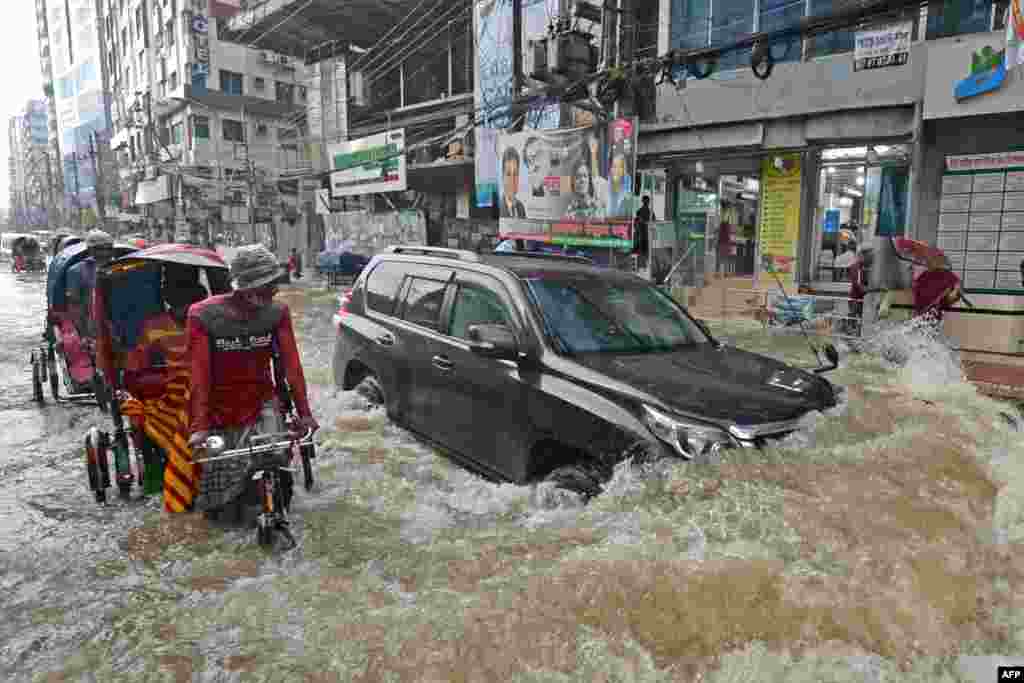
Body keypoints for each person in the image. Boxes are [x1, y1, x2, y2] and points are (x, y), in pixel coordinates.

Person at [187, 244, 319, 517]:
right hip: (219, 408)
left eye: (272, 285)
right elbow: (199, 374)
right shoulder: (202, 315)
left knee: (279, 470)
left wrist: (304, 414)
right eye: (263, 286)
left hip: (262, 401)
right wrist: (199, 426)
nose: (271, 292)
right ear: (241, 286)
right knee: (220, 508)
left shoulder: (276, 313)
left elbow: (292, 367)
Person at [116, 267, 210, 511]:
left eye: (191, 303)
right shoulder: (154, 326)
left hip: (208, 389)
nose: (186, 310)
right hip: (172, 397)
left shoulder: (209, 319)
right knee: (144, 414)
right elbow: (136, 364)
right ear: (171, 301)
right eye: (181, 304)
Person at [66, 229, 117, 339]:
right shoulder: (76, 271)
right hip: (91, 325)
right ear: (90, 250)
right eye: (99, 249)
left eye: (108, 248)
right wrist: (82, 334)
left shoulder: (120, 267)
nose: (105, 253)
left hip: (117, 323)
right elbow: (75, 305)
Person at [912, 252, 961, 325]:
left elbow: (957, 284)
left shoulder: (946, 273)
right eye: (928, 262)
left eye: (931, 261)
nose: (928, 264)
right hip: (922, 309)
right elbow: (916, 288)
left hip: (935, 310)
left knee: (929, 328)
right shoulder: (924, 275)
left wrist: (954, 292)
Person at [500, 147, 527, 218]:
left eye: (515, 174)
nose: (512, 180)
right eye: (508, 174)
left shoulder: (521, 208)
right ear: (502, 177)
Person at [633, 195, 654, 272]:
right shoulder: (640, 212)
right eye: (645, 201)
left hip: (646, 235)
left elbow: (653, 222)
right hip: (642, 235)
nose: (646, 203)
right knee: (642, 252)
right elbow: (636, 223)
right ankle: (641, 267)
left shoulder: (650, 212)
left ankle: (644, 267)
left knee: (644, 252)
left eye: (647, 201)